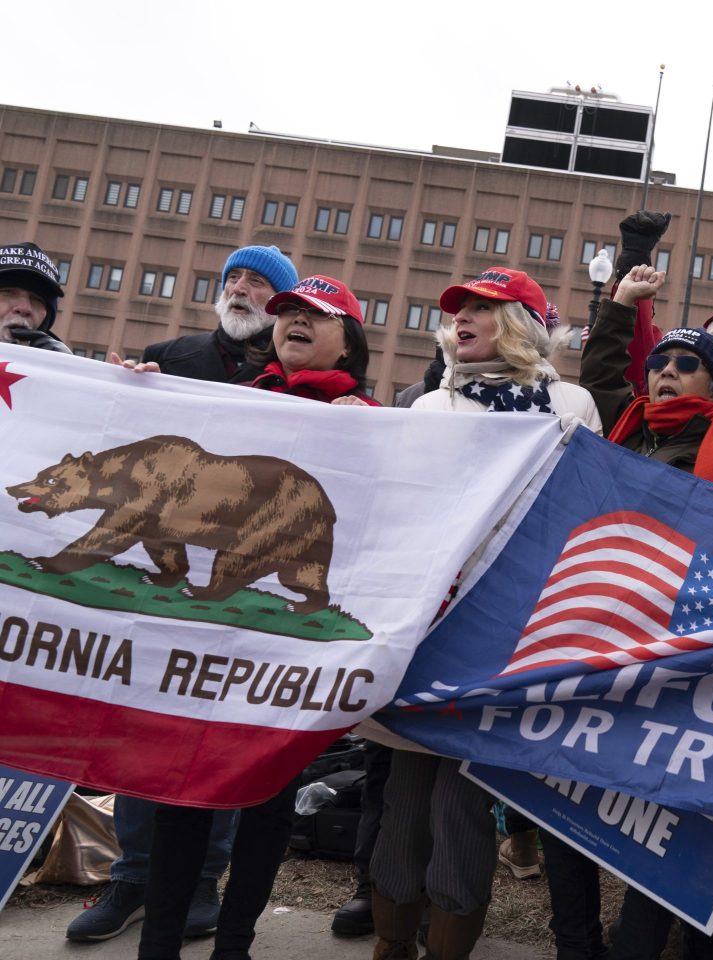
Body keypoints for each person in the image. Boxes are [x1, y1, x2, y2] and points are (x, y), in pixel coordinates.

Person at [130, 274, 377, 960]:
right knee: (184, 789)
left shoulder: (381, 423)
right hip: (210, 644)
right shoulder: (226, 405)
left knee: (268, 798)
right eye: (287, 312)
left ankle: (234, 941)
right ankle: (159, 940)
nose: (294, 320)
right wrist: (136, 397)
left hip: (291, 654)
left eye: (314, 315)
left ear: (348, 341)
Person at [65, 240, 296, 947]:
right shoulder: (166, 356)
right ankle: (134, 877)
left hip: (236, 580)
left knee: (223, 730)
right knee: (144, 726)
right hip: (159, 576)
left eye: (260, 283)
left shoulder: (294, 378)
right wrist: (125, 387)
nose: (243, 289)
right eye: (235, 278)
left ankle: (198, 882)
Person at [373, 267, 597, 960]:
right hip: (428, 631)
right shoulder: (428, 409)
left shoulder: (572, 405)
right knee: (404, 798)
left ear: (524, 325)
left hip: (511, 633)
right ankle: (391, 941)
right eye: (458, 310)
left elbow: (585, 514)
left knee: (466, 802)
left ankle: (448, 943)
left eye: (483, 309)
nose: (461, 319)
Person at [580, 264, 713, 960]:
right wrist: (622, 304)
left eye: (688, 365)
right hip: (615, 646)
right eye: (661, 362)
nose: (667, 373)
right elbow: (605, 371)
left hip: (695, 658)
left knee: (688, 829)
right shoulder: (625, 433)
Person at [141, 244, 299, 382]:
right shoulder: (166, 356)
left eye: (255, 281)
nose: (237, 289)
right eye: (233, 277)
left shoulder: (296, 372)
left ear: (280, 304)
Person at [0, 241, 71, 352]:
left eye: (37, 299)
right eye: (7, 292)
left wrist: (62, 365)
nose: (25, 308)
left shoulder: (56, 366)